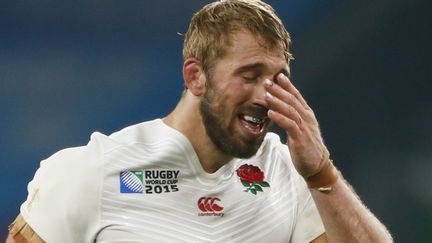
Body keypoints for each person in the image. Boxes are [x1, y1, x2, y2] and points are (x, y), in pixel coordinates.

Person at [7, 0, 393, 242]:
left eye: (277, 78)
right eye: (249, 74)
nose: (265, 95)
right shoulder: (94, 171)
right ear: (195, 77)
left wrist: (321, 173)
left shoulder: (287, 173)